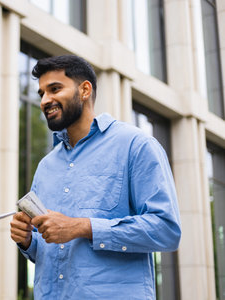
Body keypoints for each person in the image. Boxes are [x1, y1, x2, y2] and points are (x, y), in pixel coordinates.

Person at [10, 55, 181, 299]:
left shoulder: (135, 146)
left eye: (55, 89)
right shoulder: (46, 166)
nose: (45, 100)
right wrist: (27, 241)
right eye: (41, 94)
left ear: (85, 90)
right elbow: (51, 251)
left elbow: (167, 231)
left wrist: (81, 227)